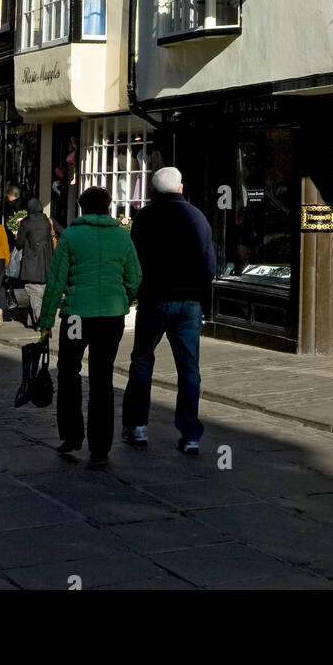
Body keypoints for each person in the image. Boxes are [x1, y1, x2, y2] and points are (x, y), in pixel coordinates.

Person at [38, 186, 141, 464]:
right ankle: (100, 446)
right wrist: (124, 300)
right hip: (110, 316)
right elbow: (135, 278)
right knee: (102, 377)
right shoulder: (121, 237)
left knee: (69, 372)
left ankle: (71, 435)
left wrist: (46, 320)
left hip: (76, 316)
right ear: (108, 207)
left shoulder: (71, 235)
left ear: (81, 208)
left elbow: (56, 281)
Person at [122, 166, 215, 455]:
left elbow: (133, 260)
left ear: (152, 190)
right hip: (189, 301)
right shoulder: (197, 217)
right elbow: (209, 264)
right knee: (188, 366)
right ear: (182, 187)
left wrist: (136, 291)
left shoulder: (145, 217)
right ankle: (190, 434)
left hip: (154, 298)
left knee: (141, 360)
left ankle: (137, 427)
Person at [15, 197, 57, 328]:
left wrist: (16, 236)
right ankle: (32, 321)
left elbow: (19, 244)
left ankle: (41, 320)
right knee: (42, 292)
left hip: (31, 264)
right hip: (46, 263)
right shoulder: (47, 221)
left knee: (33, 292)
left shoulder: (26, 223)